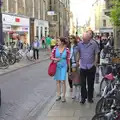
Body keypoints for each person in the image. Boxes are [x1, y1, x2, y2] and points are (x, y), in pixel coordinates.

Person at [76, 31, 99, 104]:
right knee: (82, 83)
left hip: (91, 66)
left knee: (90, 83)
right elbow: (78, 53)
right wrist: (77, 61)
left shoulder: (94, 44)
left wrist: (95, 63)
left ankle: (90, 98)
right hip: (82, 66)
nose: (84, 40)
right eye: (83, 39)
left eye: (85, 39)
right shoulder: (80, 44)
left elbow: (96, 54)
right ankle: (83, 98)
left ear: (89, 38)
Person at [50, 37, 70, 102]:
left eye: (58, 41)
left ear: (62, 42)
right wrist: (56, 59)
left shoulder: (67, 49)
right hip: (57, 65)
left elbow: (68, 59)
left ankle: (63, 96)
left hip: (64, 65)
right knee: (58, 81)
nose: (57, 42)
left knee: (63, 81)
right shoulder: (55, 49)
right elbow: (51, 57)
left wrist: (69, 68)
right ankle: (58, 95)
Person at [68, 35, 81, 100]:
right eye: (69, 39)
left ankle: (78, 93)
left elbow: (78, 54)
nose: (70, 40)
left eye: (71, 38)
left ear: (74, 39)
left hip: (75, 64)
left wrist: (77, 63)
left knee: (77, 80)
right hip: (70, 64)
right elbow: (68, 56)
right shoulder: (68, 47)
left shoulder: (77, 46)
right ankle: (74, 94)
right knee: (72, 79)